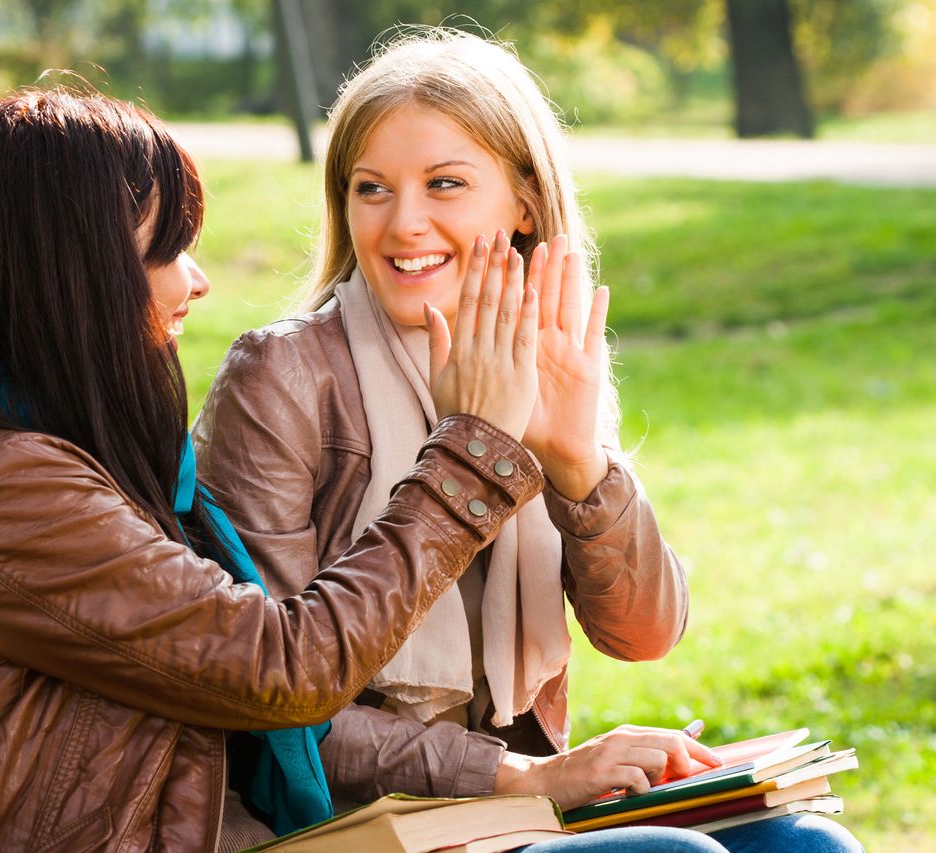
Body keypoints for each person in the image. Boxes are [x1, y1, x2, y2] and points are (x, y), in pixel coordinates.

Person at [194, 29, 862, 853]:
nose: (405, 223)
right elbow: (271, 703)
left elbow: (644, 632)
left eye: (445, 183)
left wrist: (579, 462)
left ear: (525, 203)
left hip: (508, 806)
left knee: (809, 845)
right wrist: (528, 776)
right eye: (372, 189)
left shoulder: (542, 349)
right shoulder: (283, 377)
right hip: (338, 820)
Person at [0, 86, 551, 852]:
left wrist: (509, 775)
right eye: (168, 250)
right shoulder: (6, 492)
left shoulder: (74, 461)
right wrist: (469, 455)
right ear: (78, 275)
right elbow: (286, 667)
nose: (197, 279)